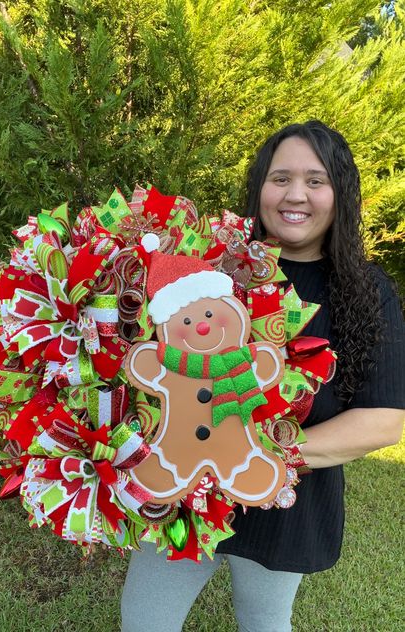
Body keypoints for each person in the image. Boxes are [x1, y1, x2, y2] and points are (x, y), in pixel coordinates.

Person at [121, 120, 405, 632]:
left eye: (316, 181)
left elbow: (382, 422)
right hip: (183, 490)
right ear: (260, 188)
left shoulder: (367, 292)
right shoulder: (212, 270)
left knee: (264, 622)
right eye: (281, 178)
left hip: (285, 505)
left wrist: (256, 458)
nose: (296, 195)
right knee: (145, 621)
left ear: (340, 194)